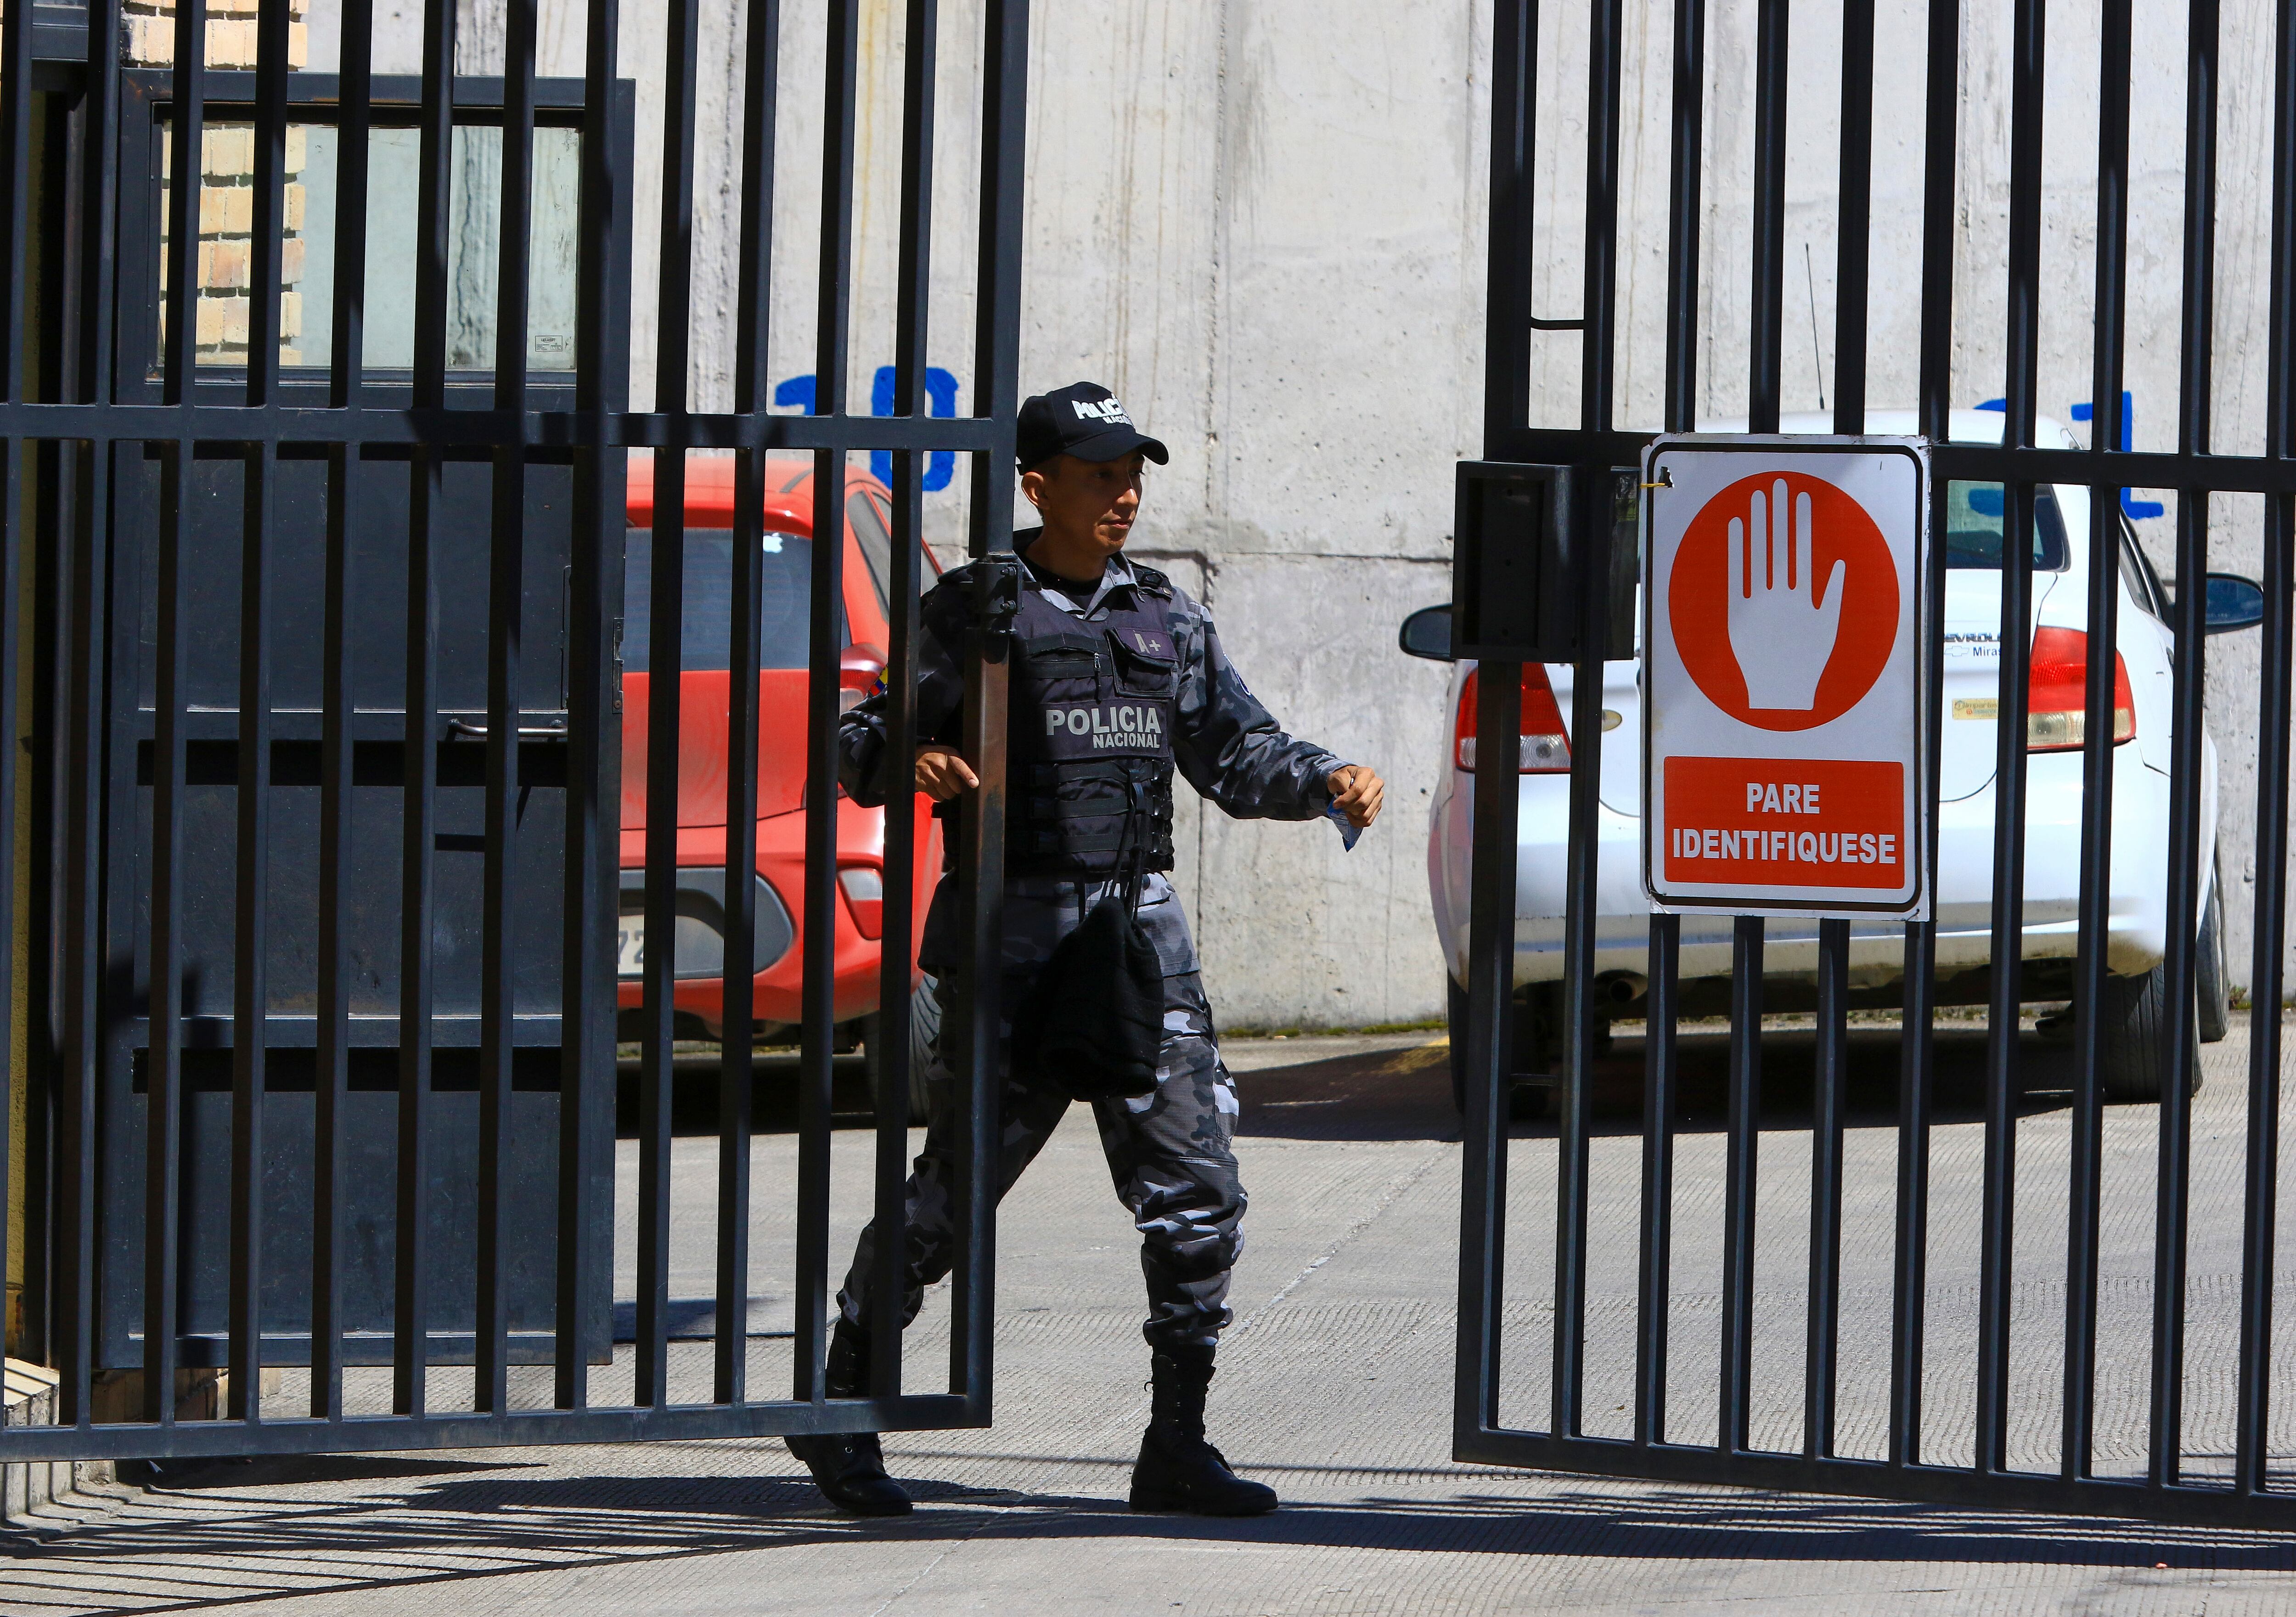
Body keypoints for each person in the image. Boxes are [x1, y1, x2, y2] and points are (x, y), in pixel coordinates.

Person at [788, 381, 1384, 1519]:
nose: (1125, 494)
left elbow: (1236, 749)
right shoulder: (975, 609)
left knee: (1198, 1195)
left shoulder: (1164, 615)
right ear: (1037, 485)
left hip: (1134, 937)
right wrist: (914, 754)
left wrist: (1322, 779)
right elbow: (863, 741)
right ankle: (843, 1406)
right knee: (952, 1201)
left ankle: (1177, 1444)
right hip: (1010, 939)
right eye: (1101, 475)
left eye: (1133, 474)